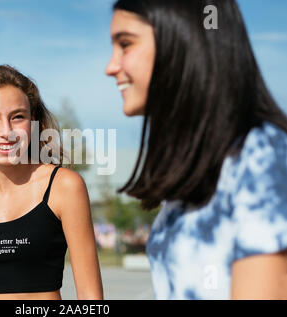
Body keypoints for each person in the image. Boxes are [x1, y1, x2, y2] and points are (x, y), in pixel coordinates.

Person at [105, 0, 287, 299]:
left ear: (182, 40)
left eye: (125, 44)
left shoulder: (259, 157)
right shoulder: (198, 170)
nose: (110, 67)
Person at [0, 65, 103, 300]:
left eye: (17, 117)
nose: (6, 131)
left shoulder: (64, 187)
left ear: (32, 122)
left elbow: (90, 297)